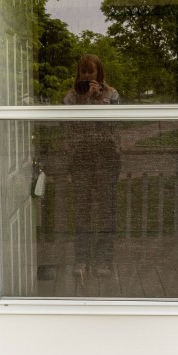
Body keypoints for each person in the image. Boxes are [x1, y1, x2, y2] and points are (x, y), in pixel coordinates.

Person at [62, 55, 121, 278]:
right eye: (83, 72)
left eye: (91, 72)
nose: (87, 76)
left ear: (99, 73)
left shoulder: (112, 94)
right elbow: (71, 126)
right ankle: (81, 260)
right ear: (79, 73)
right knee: (82, 212)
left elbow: (115, 123)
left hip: (106, 158)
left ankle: (104, 260)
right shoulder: (70, 97)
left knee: (107, 211)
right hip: (81, 159)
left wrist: (99, 100)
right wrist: (85, 100)